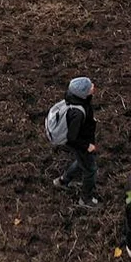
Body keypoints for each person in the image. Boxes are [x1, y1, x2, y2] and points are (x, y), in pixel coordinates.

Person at [50, 77, 101, 205]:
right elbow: (72, 138)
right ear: (83, 94)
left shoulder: (75, 99)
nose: (93, 86)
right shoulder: (77, 113)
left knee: (81, 161)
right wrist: (87, 146)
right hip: (81, 144)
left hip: (83, 140)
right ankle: (85, 199)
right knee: (90, 170)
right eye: (89, 87)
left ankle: (63, 181)